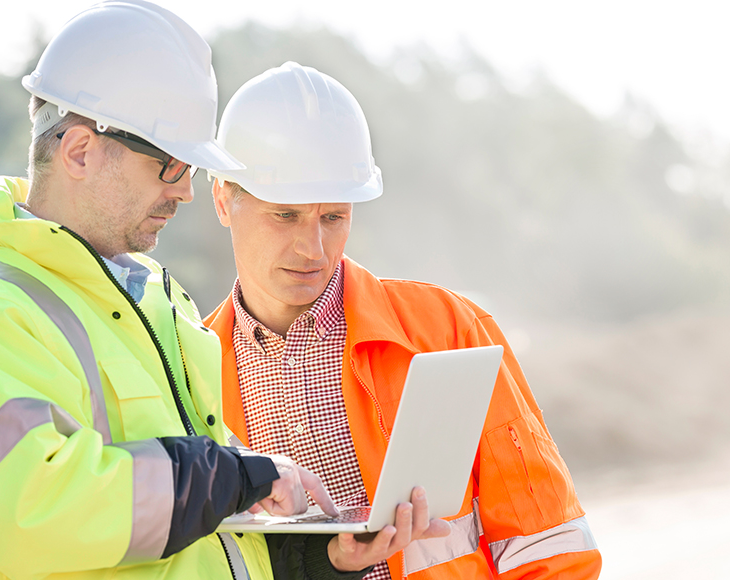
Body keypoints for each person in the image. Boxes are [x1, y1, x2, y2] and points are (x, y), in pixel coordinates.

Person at [0, 3, 409, 578]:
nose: (186, 193)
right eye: (170, 166)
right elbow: (32, 512)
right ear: (79, 151)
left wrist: (319, 562)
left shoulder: (159, 305)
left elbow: (194, 535)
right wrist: (225, 474)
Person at [203, 62, 603, 580]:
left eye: (333, 217)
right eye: (285, 215)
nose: (312, 248)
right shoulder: (194, 369)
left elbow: (547, 543)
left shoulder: (446, 332)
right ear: (222, 201)